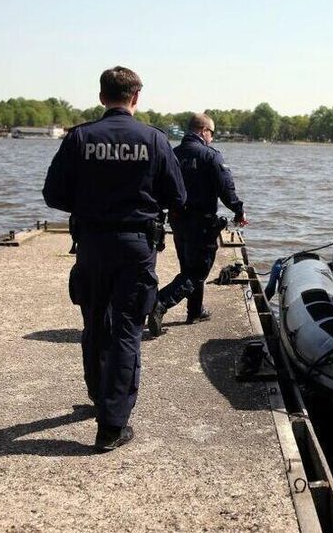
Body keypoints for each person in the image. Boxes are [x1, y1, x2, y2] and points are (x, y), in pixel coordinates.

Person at [42, 66, 186, 452]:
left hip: (91, 244)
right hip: (136, 247)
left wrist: (88, 206)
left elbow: (53, 194)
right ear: (136, 98)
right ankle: (112, 425)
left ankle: (98, 395)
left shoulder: (80, 138)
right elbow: (178, 197)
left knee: (93, 323)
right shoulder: (154, 140)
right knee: (126, 329)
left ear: (102, 96)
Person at [148, 113, 246, 336]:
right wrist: (239, 210)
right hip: (202, 222)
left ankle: (195, 311)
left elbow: (159, 187)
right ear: (203, 131)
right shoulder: (210, 156)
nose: (212, 138)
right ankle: (160, 303)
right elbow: (225, 188)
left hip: (178, 220)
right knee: (198, 271)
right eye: (211, 133)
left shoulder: (173, 154)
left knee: (189, 268)